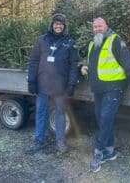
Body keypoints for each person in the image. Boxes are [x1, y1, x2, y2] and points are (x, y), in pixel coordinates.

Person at [81, 17, 130, 172]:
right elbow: (94, 64)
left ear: (106, 26)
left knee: (106, 117)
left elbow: (127, 60)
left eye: (100, 26)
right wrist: (85, 68)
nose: (97, 29)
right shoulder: (92, 43)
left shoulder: (115, 40)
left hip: (114, 87)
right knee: (101, 119)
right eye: (95, 27)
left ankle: (98, 153)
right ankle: (110, 151)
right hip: (98, 89)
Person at [26, 13, 79, 154]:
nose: (58, 25)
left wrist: (72, 84)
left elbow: (74, 65)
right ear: (51, 25)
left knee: (60, 113)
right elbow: (33, 62)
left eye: (61, 24)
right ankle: (38, 140)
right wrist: (31, 81)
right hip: (42, 84)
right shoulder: (41, 40)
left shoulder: (70, 43)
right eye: (56, 23)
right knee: (41, 112)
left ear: (64, 26)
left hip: (60, 86)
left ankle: (60, 141)